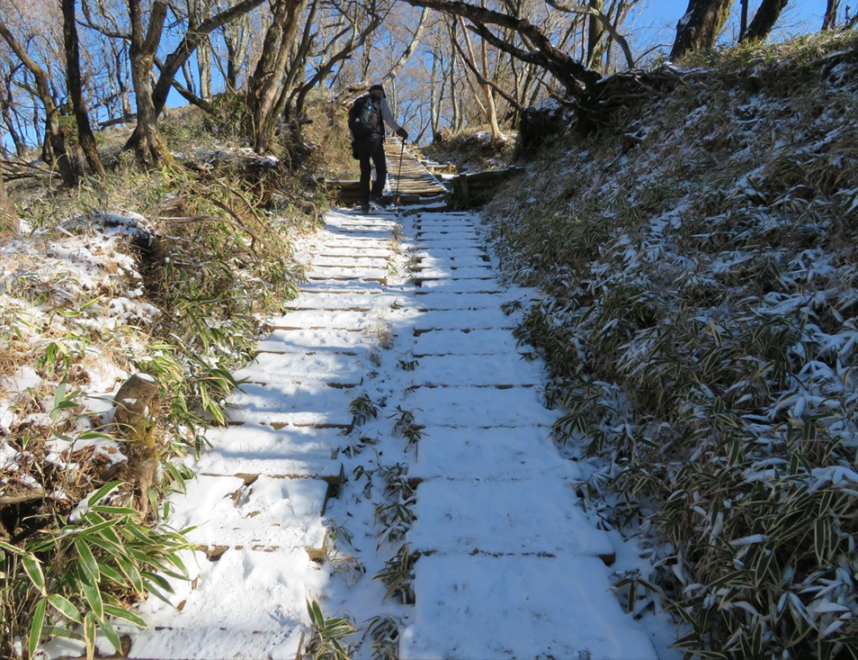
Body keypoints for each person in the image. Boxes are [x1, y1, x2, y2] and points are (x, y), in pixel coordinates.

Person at [349, 84, 408, 213]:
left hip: (359, 141)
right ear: (380, 93)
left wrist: (354, 143)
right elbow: (388, 119)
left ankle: (364, 203)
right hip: (374, 139)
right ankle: (375, 195)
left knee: (365, 172)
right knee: (381, 169)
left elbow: (351, 125)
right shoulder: (380, 101)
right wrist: (399, 130)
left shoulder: (358, 103)